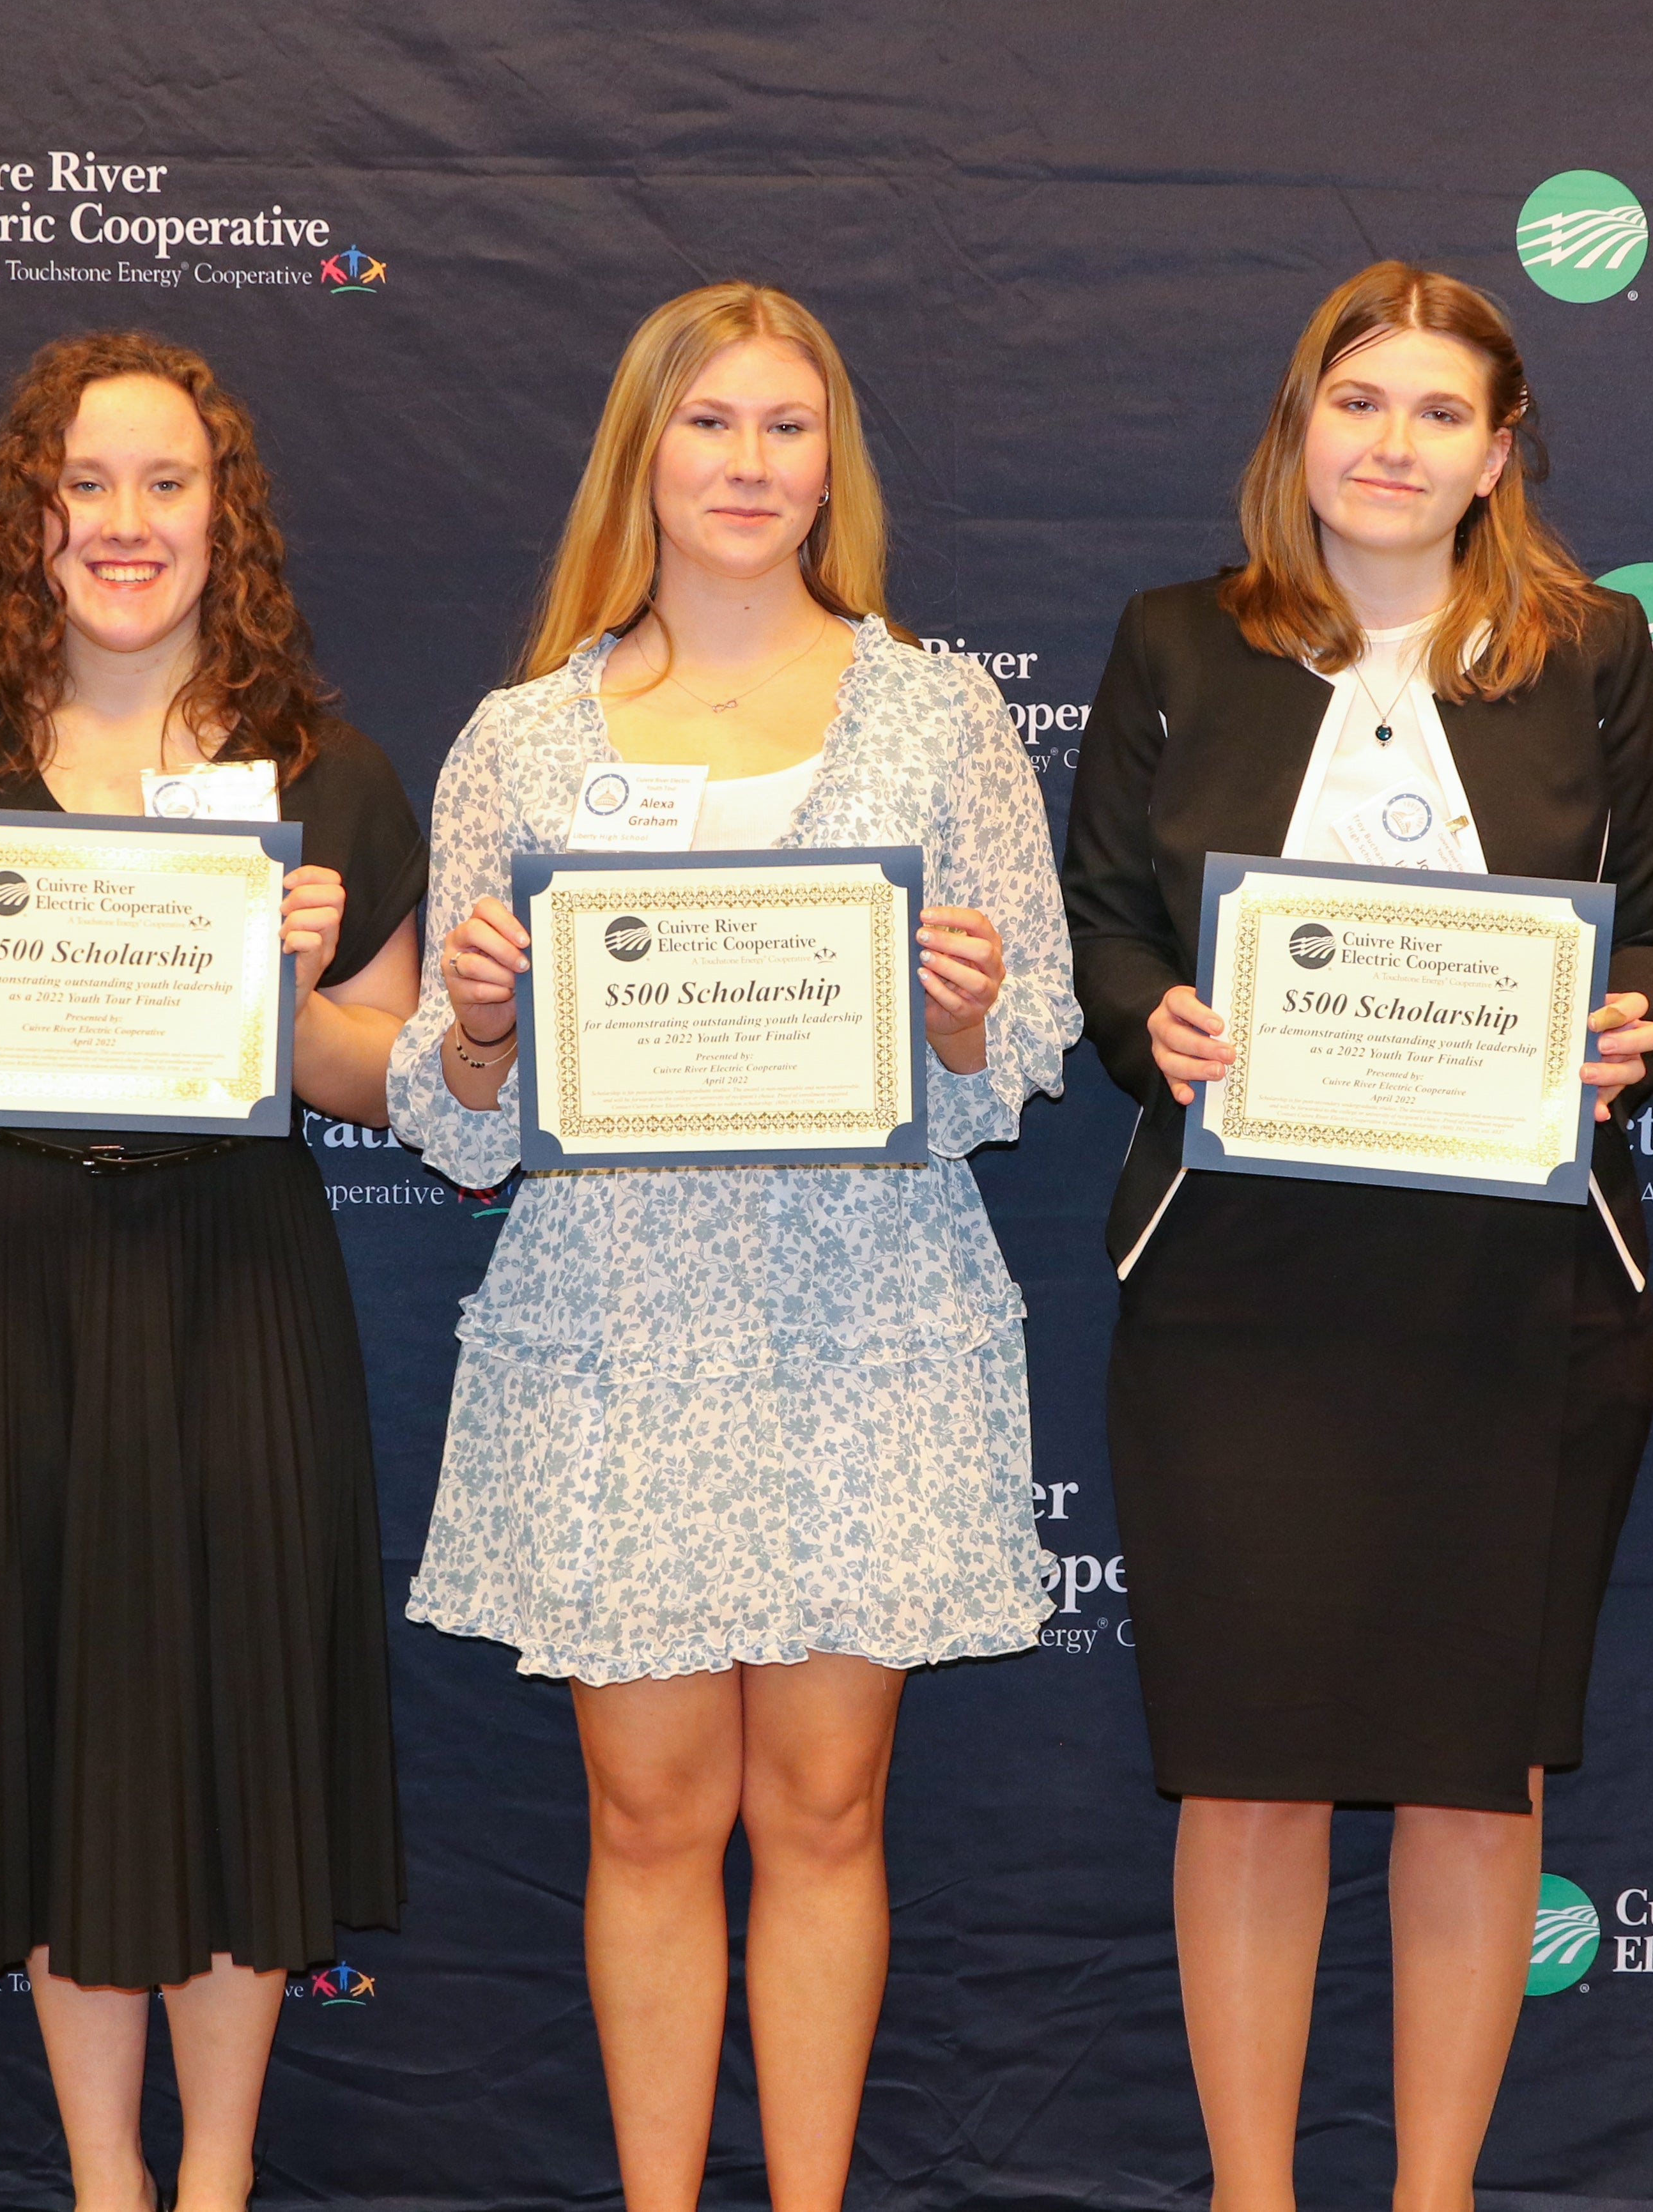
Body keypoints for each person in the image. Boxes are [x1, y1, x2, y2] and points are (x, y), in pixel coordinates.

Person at [389, 281, 1075, 2212]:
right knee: (647, 1809)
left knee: (827, 1805)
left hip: (870, 1320)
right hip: (620, 1328)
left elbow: (1021, 1057)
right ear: (644, 456)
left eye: (786, 429)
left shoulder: (938, 711)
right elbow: (452, 1118)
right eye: (709, 426)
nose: (749, 466)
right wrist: (481, 1024)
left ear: (829, 465)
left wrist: (959, 1011)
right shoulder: (521, 740)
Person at [1059, 260, 1653, 2212]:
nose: (1393, 443)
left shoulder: (1586, 653)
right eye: (1360, 403)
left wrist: (1628, 1018)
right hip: (1239, 1294)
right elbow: (1102, 911)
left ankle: (1433, 2198)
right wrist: (1142, 1016)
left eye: (1438, 412)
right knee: (1243, 1766)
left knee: (1467, 1767)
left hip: (1508, 1294)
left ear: (1498, 452)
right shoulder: (1176, 639)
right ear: (1297, 427)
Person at [0, 332, 422, 2212]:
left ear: (223, 514)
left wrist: (313, 982)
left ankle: (220, 2174)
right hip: (5, 1285)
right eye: (91, 483)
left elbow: (378, 1081)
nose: (130, 522)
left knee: (241, 1720)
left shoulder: (326, 774)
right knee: (54, 1733)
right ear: (34, 516)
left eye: (171, 482)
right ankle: (103, 2179)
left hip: (238, 1280)